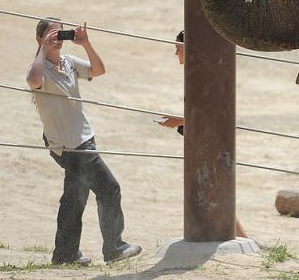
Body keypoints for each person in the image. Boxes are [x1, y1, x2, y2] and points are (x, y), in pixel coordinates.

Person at [26, 18, 142, 266]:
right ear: (40, 39)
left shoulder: (68, 62)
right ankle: (115, 248)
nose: (57, 38)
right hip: (70, 147)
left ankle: (65, 255)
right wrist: (42, 50)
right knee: (110, 189)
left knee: (74, 197)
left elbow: (98, 70)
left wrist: (86, 43)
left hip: (84, 139)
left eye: (60, 33)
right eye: (51, 35)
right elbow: (33, 80)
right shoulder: (40, 68)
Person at [157, 30, 248, 238]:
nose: (175, 54)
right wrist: (181, 125)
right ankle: (242, 238)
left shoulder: (201, 75)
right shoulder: (200, 72)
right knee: (214, 191)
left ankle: (244, 239)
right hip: (207, 142)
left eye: (177, 48)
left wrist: (177, 122)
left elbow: (208, 117)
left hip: (212, 143)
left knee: (218, 192)